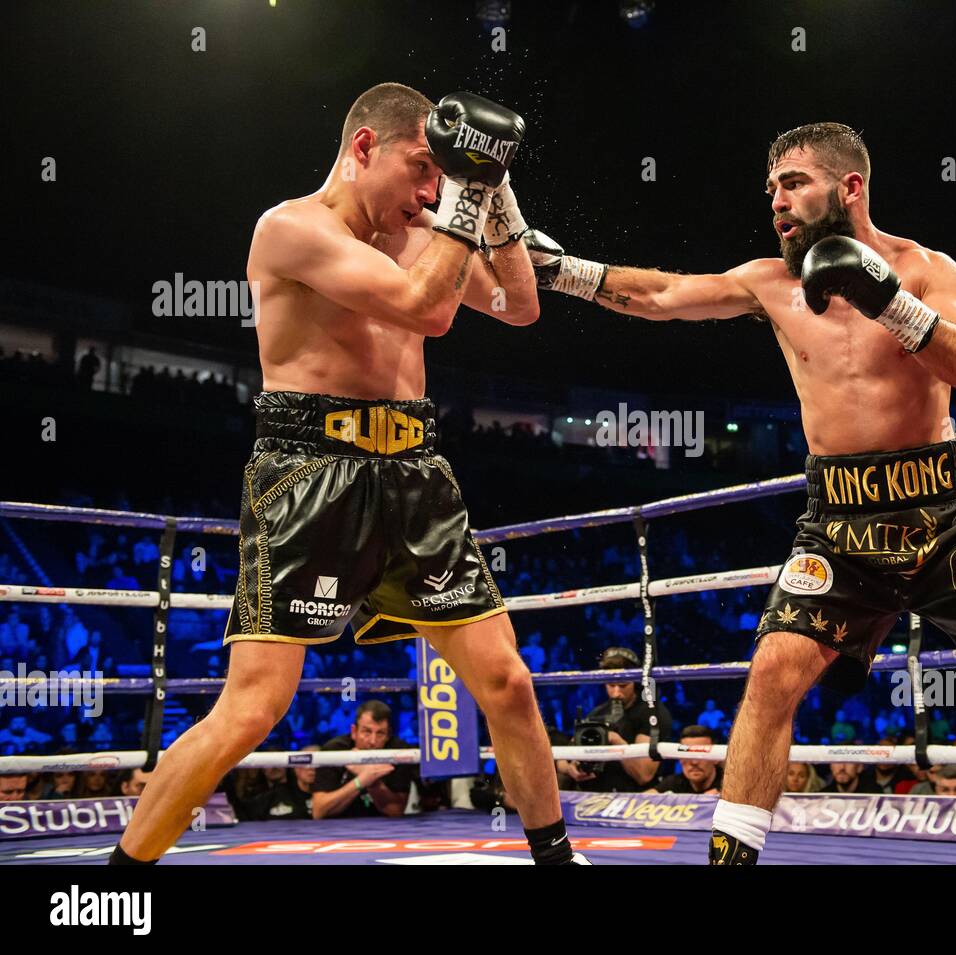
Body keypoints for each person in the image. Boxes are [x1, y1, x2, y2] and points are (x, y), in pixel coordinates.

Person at [532, 122, 956, 865]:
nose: (776, 199)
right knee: (773, 671)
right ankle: (730, 857)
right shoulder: (770, 283)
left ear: (850, 187)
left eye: (793, 181)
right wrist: (563, 270)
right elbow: (664, 294)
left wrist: (890, 302)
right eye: (771, 187)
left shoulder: (926, 270)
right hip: (837, 516)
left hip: (940, 505)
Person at [111, 83, 581, 865]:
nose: (432, 189)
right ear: (365, 147)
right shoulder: (291, 229)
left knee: (507, 683)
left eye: (445, 175)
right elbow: (425, 309)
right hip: (309, 470)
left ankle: (558, 859)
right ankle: (122, 878)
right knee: (252, 707)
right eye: (423, 168)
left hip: (415, 471)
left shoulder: (429, 228)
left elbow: (522, 302)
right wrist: (466, 196)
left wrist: (496, 189)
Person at [556, 647, 673, 792]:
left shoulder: (652, 713)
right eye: (611, 685)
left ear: (635, 682)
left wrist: (615, 740)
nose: (616, 693)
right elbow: (562, 758)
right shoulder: (597, 713)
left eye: (623, 685)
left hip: (635, 801)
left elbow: (644, 775)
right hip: (595, 797)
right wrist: (571, 768)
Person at [649, 725, 723, 795]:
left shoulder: (728, 785)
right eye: (688, 755)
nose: (694, 762)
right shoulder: (674, 783)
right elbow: (644, 798)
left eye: (701, 755)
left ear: (715, 759)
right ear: (680, 759)